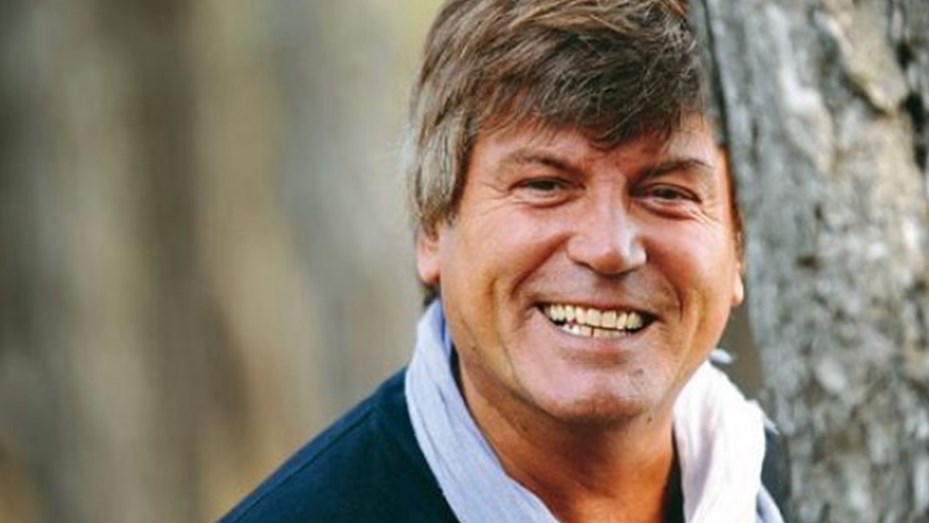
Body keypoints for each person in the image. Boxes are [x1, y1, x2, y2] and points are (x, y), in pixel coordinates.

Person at [217, 1, 790, 521]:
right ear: (433, 225)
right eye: (546, 185)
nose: (609, 247)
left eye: (666, 192)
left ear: (741, 246)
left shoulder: (813, 489)